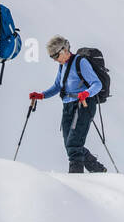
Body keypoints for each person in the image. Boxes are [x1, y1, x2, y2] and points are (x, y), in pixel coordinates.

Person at [29, 37, 107, 174]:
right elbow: (57, 86)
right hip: (67, 106)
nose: (55, 59)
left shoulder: (80, 62)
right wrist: (41, 95)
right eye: (52, 57)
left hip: (83, 105)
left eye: (55, 55)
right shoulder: (62, 65)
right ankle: (98, 170)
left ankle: (76, 179)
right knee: (69, 144)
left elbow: (97, 84)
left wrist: (86, 94)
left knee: (74, 144)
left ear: (64, 50)